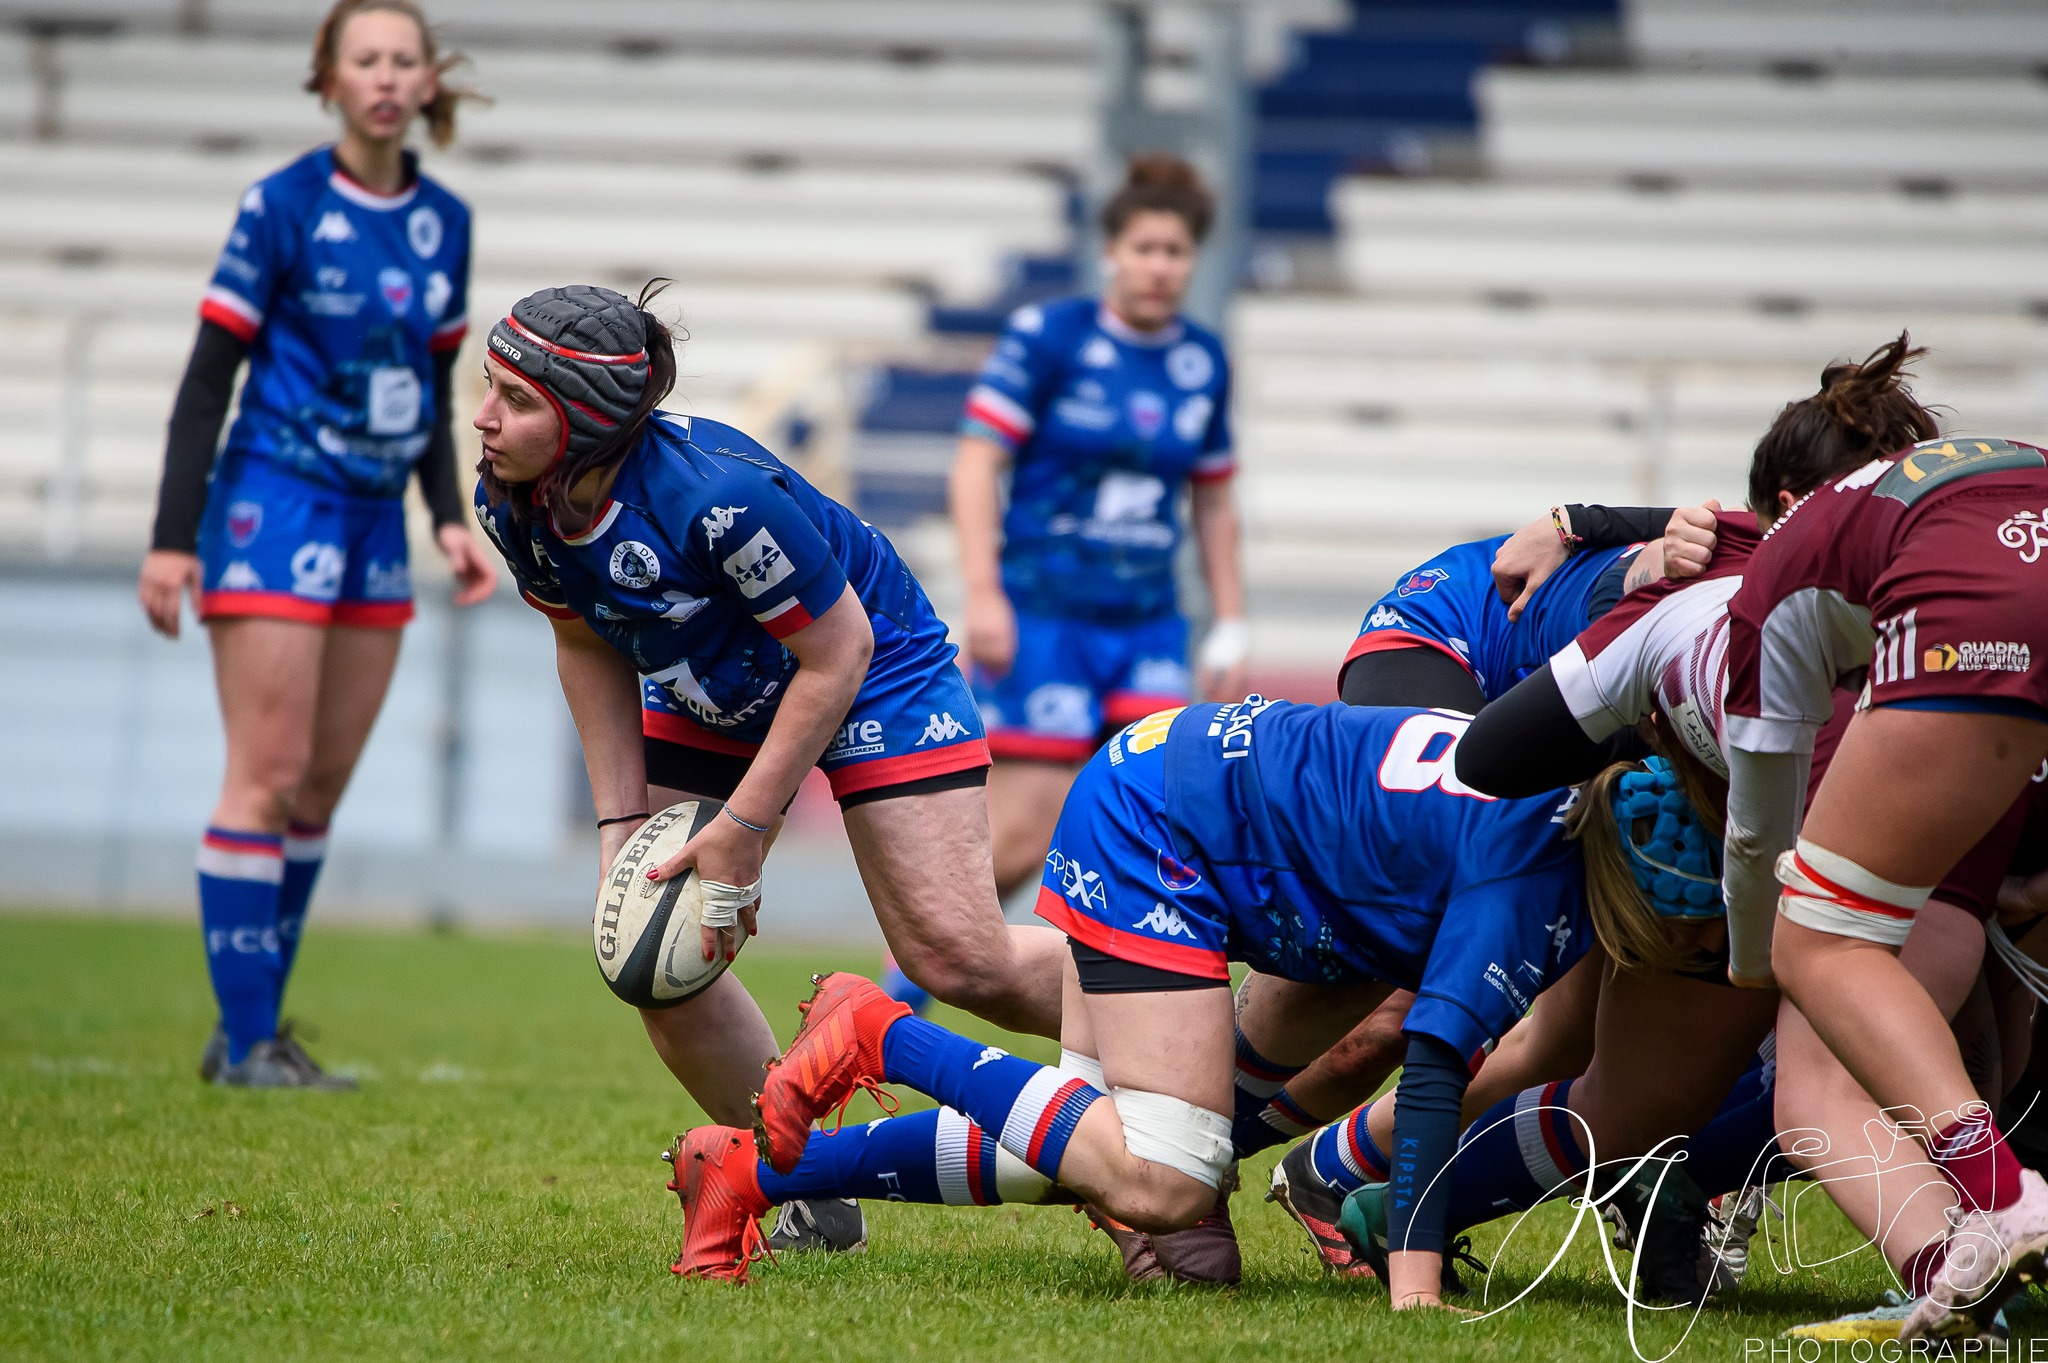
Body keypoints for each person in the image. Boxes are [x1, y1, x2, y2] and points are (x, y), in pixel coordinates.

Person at [666, 700, 1712, 1302]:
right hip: (1170, 827)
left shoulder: (1586, 797)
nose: (1700, 955)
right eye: (1697, 933)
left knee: (1128, 1184)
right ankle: (876, 1027)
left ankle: (744, 1172)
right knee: (1161, 1183)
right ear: (1650, 892)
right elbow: (1434, 1063)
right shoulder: (1531, 878)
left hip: (1269, 855)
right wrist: (1417, 1277)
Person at [470, 281, 1072, 1249]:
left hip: (873, 665)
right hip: (710, 677)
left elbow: (837, 655)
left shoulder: (715, 498)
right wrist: (620, 836)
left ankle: (1169, 1041)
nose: (483, 418)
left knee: (958, 958)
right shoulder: (512, 502)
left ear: (586, 418)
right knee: (651, 955)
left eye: (516, 399)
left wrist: (746, 830)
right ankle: (806, 1189)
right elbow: (584, 646)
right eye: (487, 388)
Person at [136, 0, 495, 1089]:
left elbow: (428, 392)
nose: (386, 77)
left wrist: (448, 514)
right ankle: (249, 1044)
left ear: (428, 80)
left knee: (322, 786)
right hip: (271, 506)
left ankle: (252, 1024)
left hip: (374, 517)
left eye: (403, 59)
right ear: (327, 80)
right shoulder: (280, 206)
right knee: (268, 774)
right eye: (364, 60)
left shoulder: (446, 221)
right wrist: (169, 540)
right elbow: (208, 379)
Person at [1713, 363, 2048, 1339]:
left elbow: (1757, 825)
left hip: (1986, 614)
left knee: (1818, 944)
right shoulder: (1946, 475)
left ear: (1776, 503)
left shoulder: (1781, 566)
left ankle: (2000, 1200)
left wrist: (1755, 956)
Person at [949, 152, 1245, 904]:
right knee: (1026, 825)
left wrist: (1231, 624)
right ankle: (899, 986)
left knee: (1152, 816)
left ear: (1193, 261)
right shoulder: (1050, 336)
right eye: (1144, 248)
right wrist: (983, 594)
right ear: (1112, 251)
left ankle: (1115, 1008)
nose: (1158, 266)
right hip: (1045, 613)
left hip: (1147, 624)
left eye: (1175, 252)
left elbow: (1213, 499)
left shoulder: (1203, 361)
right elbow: (976, 462)